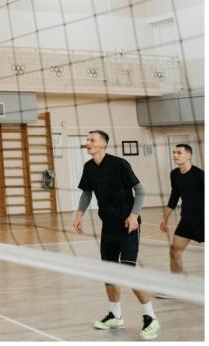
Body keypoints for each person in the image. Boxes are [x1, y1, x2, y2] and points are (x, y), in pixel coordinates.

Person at [73, 130, 159, 339]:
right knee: (109, 273)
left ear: (103, 144)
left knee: (128, 272)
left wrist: (133, 215)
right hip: (108, 226)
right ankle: (116, 314)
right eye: (87, 140)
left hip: (128, 225)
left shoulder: (119, 164)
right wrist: (79, 215)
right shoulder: (89, 167)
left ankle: (151, 317)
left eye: (92, 140)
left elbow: (140, 190)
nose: (88, 143)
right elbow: (87, 193)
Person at [159, 144, 204, 281]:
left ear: (189, 156)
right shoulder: (174, 174)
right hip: (187, 220)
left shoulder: (200, 175)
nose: (175, 155)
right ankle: (177, 285)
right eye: (174, 152)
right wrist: (165, 218)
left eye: (179, 152)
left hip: (203, 219)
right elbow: (174, 197)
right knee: (174, 251)